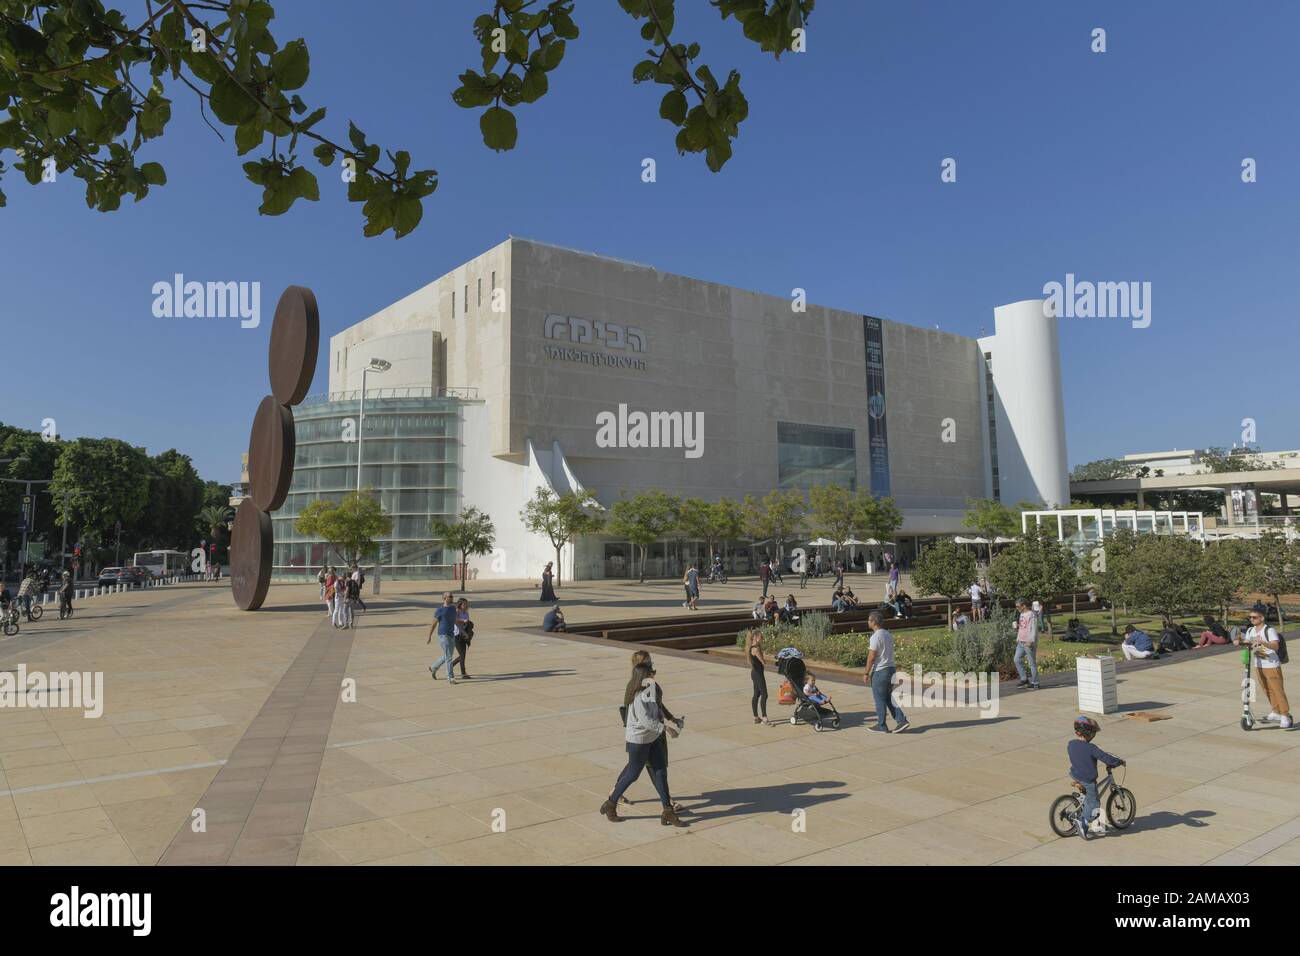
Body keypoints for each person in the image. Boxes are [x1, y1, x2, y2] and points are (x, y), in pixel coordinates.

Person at [600, 659, 687, 827]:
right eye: (651, 672)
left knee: (660, 771)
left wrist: (671, 719)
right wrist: (667, 729)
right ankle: (610, 803)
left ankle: (667, 811)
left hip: (651, 738)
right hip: (638, 741)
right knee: (632, 774)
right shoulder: (639, 697)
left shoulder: (650, 692)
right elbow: (646, 721)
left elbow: (659, 709)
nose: (654, 674)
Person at [1068, 715, 1125, 839]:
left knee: (1088, 794)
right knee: (1094, 804)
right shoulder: (1091, 748)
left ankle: (1083, 800)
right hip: (1087, 779)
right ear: (1089, 733)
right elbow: (1105, 757)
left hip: (1075, 774)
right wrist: (1118, 762)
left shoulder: (1071, 744)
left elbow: (1079, 757)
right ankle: (1082, 822)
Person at [1238, 604, 1291, 728]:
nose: (1251, 619)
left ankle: (1285, 715)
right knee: (1267, 690)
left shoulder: (1269, 630)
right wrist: (1239, 641)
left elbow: (1275, 646)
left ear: (1261, 618)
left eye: (1254, 617)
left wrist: (1263, 642)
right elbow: (1247, 642)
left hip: (1272, 665)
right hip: (1259, 664)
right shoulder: (1251, 630)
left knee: (1278, 691)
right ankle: (1276, 711)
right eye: (1250, 617)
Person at [864, 610, 909, 733]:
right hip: (891, 669)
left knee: (879, 699)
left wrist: (866, 672)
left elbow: (872, 657)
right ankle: (901, 721)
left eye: (869, 620)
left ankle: (881, 725)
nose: (868, 622)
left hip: (881, 671)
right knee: (888, 697)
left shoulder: (875, 637)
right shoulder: (887, 634)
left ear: (873, 622)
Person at [427, 592, 459, 684]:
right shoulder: (439, 610)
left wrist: (462, 631)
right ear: (444, 598)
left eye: (452, 596)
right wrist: (429, 636)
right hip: (443, 635)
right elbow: (433, 624)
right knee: (449, 657)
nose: (452, 598)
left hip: (452, 634)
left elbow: (455, 620)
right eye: (450, 596)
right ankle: (450, 677)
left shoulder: (453, 609)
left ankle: (433, 667)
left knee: (447, 655)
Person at [1013, 598, 1040, 689]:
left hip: (1029, 642)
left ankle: (1035, 683)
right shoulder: (1021, 614)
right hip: (1021, 641)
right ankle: (1024, 679)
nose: (1017, 608)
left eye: (1018, 606)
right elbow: (1023, 627)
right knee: (1017, 659)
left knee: (1032, 663)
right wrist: (1017, 630)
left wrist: (1031, 641)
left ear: (1023, 605)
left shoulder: (1032, 615)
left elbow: (1034, 628)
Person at [746, 628, 768, 724]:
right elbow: (763, 662)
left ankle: (756, 717)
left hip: (755, 673)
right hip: (758, 674)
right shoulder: (755, 649)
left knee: (757, 694)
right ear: (755, 637)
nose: (762, 639)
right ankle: (764, 716)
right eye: (760, 637)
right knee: (764, 694)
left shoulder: (751, 647)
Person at [451, 597, 473, 679]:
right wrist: (463, 621)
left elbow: (466, 623)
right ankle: (462, 672)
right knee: (462, 655)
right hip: (456, 635)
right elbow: (454, 620)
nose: (466, 605)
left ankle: (462, 672)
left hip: (463, 635)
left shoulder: (466, 613)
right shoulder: (457, 611)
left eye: (466, 604)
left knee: (463, 655)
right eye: (464, 604)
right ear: (460, 604)